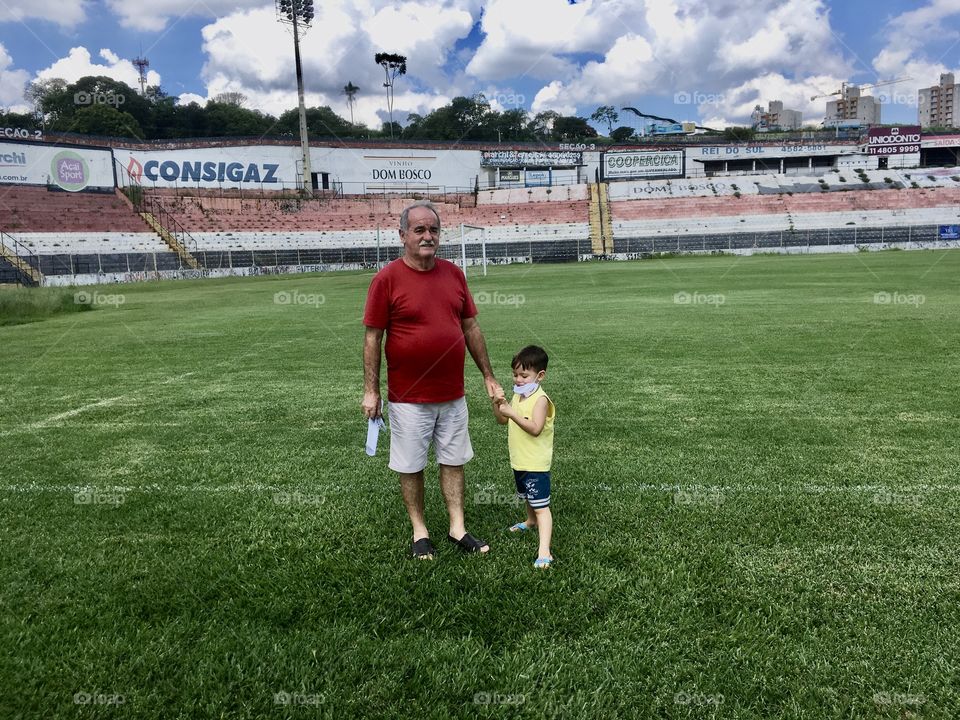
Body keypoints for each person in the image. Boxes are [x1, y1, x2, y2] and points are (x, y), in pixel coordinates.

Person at [362, 200, 503, 560]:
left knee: (454, 460)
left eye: (433, 230)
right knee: (411, 465)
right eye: (419, 230)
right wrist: (371, 390)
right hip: (408, 397)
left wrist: (487, 375)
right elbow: (373, 337)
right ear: (403, 235)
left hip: (452, 394)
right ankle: (420, 531)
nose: (428, 236)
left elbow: (471, 327)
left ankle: (458, 527)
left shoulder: (454, 274)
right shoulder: (387, 278)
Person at [491, 345, 555, 568]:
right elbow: (502, 420)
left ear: (540, 376)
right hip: (519, 460)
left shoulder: (540, 399)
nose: (517, 379)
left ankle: (544, 551)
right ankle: (530, 521)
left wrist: (512, 413)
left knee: (541, 507)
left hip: (535, 463)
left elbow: (536, 428)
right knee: (527, 496)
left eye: (523, 375)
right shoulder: (519, 394)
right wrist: (498, 405)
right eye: (515, 374)